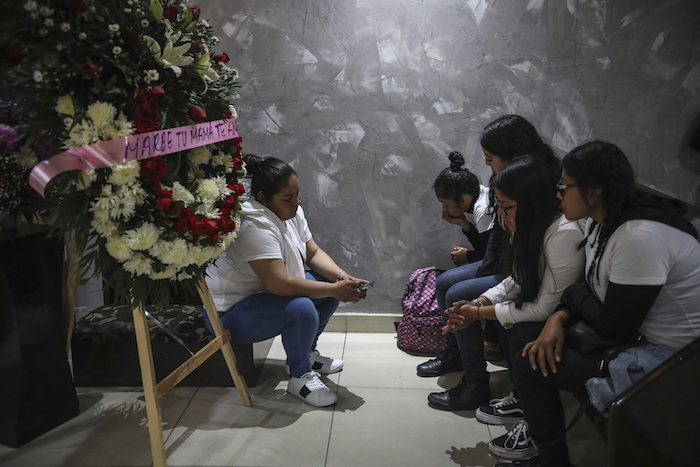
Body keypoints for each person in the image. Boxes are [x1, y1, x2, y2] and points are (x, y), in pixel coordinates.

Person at [493, 141, 700, 466]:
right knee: (526, 337)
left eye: (564, 186)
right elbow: (588, 289)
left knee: (527, 362)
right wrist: (559, 317)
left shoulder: (638, 237)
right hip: (641, 338)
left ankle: (553, 461)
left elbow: (615, 326)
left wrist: (570, 301)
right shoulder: (604, 223)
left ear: (594, 191)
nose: (558, 194)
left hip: (676, 362)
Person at [204, 155, 370, 407]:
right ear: (262, 198)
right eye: (288, 198)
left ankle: (306, 354)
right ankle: (299, 374)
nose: (297, 202)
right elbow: (278, 284)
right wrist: (334, 289)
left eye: (298, 193)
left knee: (324, 288)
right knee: (302, 307)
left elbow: (312, 252)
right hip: (229, 314)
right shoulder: (254, 224)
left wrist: (340, 278)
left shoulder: (292, 213)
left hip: (261, 298)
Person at [429, 155, 585, 418]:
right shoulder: (531, 225)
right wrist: (479, 303)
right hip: (545, 304)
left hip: (565, 316)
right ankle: (514, 392)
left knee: (519, 327)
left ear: (531, 203)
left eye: (505, 206)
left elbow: (546, 308)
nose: (500, 214)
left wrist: (477, 313)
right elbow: (517, 277)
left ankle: (527, 407)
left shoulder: (563, 233)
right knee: (476, 301)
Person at [418, 115, 561, 378]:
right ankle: (455, 354)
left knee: (455, 293)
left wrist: (479, 305)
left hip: (512, 270)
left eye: (489, 156)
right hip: (510, 267)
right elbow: (501, 248)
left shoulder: (535, 194)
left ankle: (475, 378)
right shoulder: (508, 188)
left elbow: (501, 260)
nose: (485, 162)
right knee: (445, 282)